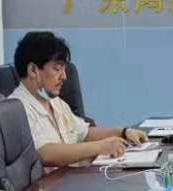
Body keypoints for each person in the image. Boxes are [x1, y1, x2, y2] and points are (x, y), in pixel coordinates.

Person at [12, 31, 148, 167]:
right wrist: (99, 147)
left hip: (72, 175)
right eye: (57, 69)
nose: (64, 77)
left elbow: (85, 133)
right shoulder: (16, 109)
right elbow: (45, 153)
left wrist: (123, 132)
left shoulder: (54, 102)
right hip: (52, 180)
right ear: (33, 70)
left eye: (64, 69)